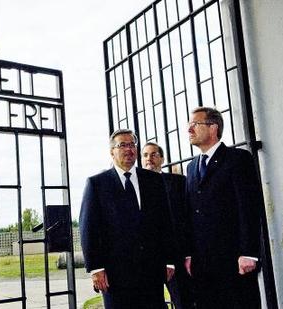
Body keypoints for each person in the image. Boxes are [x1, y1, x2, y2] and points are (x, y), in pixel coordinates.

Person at [79, 129, 176, 308]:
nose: (129, 149)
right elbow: (88, 229)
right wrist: (96, 268)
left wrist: (170, 260)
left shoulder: (154, 180)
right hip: (114, 275)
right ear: (112, 151)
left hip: (151, 272)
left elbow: (165, 223)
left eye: (132, 145)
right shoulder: (97, 184)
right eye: (122, 145)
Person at [185, 107, 263, 308]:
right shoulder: (192, 167)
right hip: (203, 265)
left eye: (195, 124)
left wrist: (249, 253)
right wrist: (189, 255)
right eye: (189, 125)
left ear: (213, 128)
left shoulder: (238, 159)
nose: (189, 129)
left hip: (234, 261)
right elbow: (191, 214)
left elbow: (249, 207)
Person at [141, 142, 195, 309]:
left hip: (176, 255)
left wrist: (189, 253)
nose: (149, 158)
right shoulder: (132, 185)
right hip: (147, 259)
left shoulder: (178, 182)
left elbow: (188, 217)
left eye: (154, 154)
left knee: (184, 302)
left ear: (162, 158)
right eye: (145, 155)